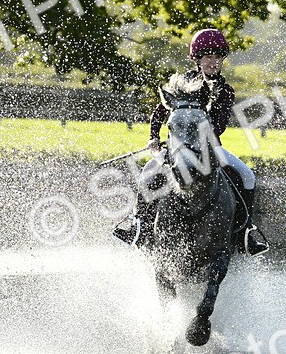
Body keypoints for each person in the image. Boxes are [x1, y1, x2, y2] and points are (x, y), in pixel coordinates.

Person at [113, 28, 269, 255]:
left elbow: (220, 126)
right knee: (148, 173)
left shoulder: (224, 90)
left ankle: (246, 233)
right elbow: (160, 112)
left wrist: (197, 138)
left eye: (218, 58)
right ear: (197, 59)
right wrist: (154, 137)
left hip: (208, 150)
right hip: (176, 149)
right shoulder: (183, 82)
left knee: (247, 175)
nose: (213, 63)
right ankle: (138, 226)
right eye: (208, 58)